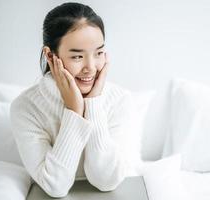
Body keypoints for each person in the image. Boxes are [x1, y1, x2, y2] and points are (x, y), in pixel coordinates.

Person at [10, 2, 142, 198]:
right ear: (50, 55)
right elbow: (56, 187)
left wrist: (93, 104)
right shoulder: (26, 107)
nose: (91, 67)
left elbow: (106, 182)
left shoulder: (120, 100)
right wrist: (73, 110)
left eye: (98, 53)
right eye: (78, 56)